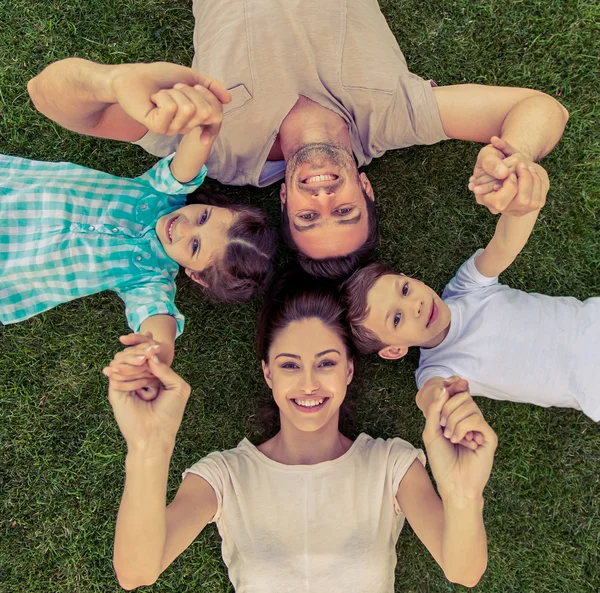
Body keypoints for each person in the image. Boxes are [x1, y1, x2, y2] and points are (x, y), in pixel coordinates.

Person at [27, 1, 569, 278]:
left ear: (283, 198)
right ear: (366, 189)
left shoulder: (214, 150)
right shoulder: (392, 120)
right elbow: (540, 107)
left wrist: (110, 81)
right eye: (345, 211)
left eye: (309, 216)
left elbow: (48, 96)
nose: (323, 197)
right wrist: (517, 155)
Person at [107, 275, 498, 591]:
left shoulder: (390, 465)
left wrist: (463, 494)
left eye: (326, 363)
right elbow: (137, 572)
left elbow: (463, 571)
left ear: (348, 370)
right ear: (268, 373)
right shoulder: (225, 477)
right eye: (290, 366)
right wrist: (148, 448)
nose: (309, 384)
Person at [1, 111, 277, 377]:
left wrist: (158, 351)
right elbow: (189, 160)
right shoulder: (162, 194)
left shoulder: (150, 278)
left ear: (196, 275)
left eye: (194, 246)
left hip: (14, 267)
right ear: (213, 206)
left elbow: (156, 316)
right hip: (16, 192)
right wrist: (206, 128)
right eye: (203, 217)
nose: (183, 226)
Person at [341, 158, 599, 422]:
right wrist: (439, 405)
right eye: (397, 318)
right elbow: (429, 396)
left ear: (410, 278)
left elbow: (505, 244)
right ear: (394, 350)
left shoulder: (466, 287)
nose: (414, 305)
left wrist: (522, 197)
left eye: (405, 289)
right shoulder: (436, 368)